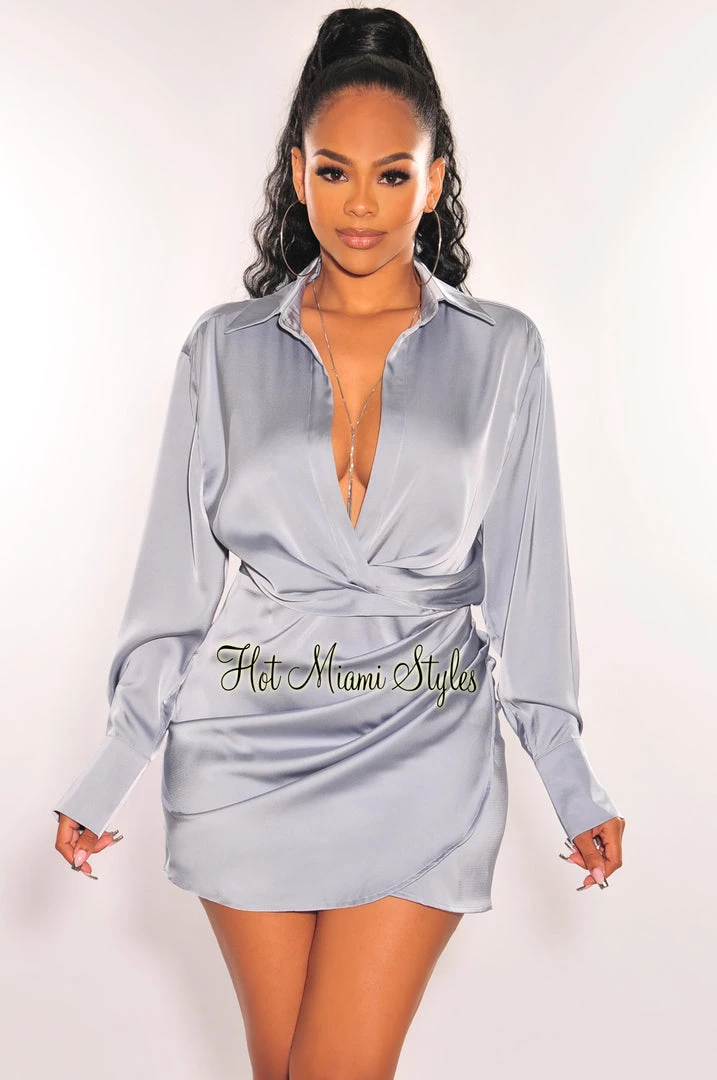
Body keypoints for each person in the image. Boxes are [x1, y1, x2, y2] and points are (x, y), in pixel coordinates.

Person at [52, 6, 625, 1076]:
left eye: (392, 174)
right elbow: (175, 584)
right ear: (297, 173)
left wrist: (570, 777)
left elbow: (530, 584)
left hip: (425, 752)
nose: (361, 204)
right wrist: (114, 764)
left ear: (434, 181)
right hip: (244, 758)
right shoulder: (221, 350)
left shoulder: (503, 352)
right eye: (334, 171)